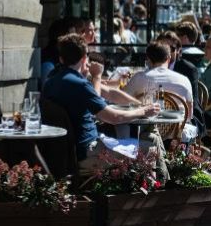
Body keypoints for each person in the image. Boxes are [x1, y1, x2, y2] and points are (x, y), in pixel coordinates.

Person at [42, 33, 167, 178]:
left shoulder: (51, 82)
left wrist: (138, 104)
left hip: (64, 152)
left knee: (151, 139)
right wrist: (143, 110)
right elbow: (113, 117)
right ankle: (158, 194)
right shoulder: (79, 84)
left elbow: (109, 93)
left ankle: (163, 191)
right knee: (150, 148)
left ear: (61, 58)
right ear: (84, 58)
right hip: (87, 151)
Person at [124, 42, 198, 142]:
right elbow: (189, 115)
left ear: (148, 59)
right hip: (176, 136)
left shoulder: (138, 78)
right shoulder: (184, 79)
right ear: (168, 58)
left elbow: (124, 104)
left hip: (144, 135)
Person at [157, 31, 206, 137]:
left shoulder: (188, 69)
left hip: (186, 113)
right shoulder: (152, 68)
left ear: (179, 50)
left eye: (172, 48)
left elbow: (191, 101)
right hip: (157, 113)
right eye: (162, 49)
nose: (167, 52)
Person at [40, 17, 78, 91]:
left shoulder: (64, 57)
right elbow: (50, 93)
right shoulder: (49, 63)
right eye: (72, 38)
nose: (76, 42)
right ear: (62, 39)